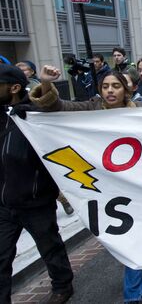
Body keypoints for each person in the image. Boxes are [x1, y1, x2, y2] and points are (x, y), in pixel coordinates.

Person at [30, 66, 142, 303]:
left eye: (115, 86)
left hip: (140, 188)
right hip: (107, 190)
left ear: (126, 90)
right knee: (126, 238)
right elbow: (57, 107)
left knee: (140, 238)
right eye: (105, 86)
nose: (109, 91)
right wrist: (45, 84)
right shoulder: (91, 108)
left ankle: (132, 296)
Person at [0, 64, 74, 304]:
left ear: (14, 88)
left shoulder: (35, 116)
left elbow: (53, 108)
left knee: (50, 247)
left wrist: (44, 84)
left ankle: (63, 286)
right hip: (4, 205)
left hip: (35, 201)